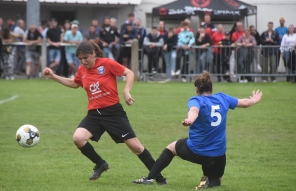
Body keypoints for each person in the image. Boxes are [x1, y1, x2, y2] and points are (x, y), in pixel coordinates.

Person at [42, 41, 167, 185]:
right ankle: (101, 164)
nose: (83, 61)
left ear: (94, 53)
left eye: (85, 58)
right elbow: (75, 84)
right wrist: (53, 76)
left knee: (136, 147)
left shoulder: (107, 63)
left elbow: (129, 73)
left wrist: (126, 91)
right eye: (80, 59)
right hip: (94, 114)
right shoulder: (82, 70)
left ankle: (159, 178)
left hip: (113, 113)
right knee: (78, 138)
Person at [132, 71, 263, 190]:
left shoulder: (196, 100)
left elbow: (194, 110)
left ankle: (149, 178)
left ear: (196, 89)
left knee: (171, 148)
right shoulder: (223, 98)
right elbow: (244, 103)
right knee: (217, 181)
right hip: (218, 154)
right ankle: (208, 182)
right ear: (212, 89)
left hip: (196, 151)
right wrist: (254, 100)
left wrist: (190, 119)